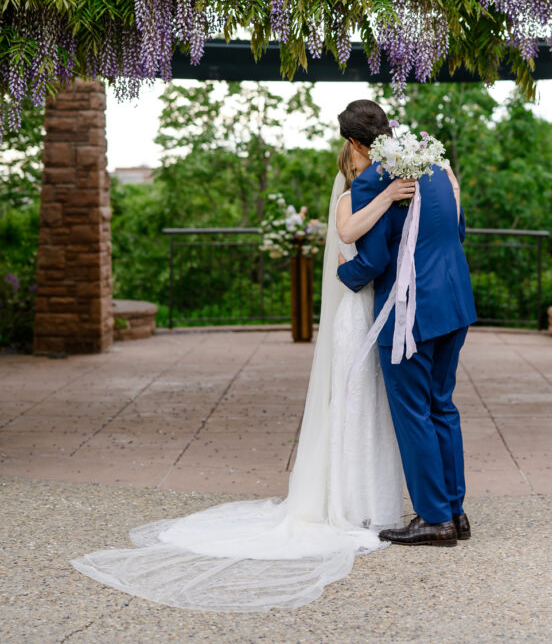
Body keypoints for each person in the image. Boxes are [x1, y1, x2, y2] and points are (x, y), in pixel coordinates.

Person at [70, 144, 416, 613]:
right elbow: (349, 238)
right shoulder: (349, 198)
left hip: (374, 308)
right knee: (351, 402)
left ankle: (372, 498)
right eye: (363, 164)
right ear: (353, 160)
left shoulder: (382, 193)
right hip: (355, 310)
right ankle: (349, 503)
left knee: (372, 405)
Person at [337, 99, 476, 548]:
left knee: (414, 413)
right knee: (443, 406)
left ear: (355, 143)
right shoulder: (435, 168)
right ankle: (455, 513)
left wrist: (345, 272)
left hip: (409, 315)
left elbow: (375, 260)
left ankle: (434, 519)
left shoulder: (372, 183)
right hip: (455, 304)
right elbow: (458, 231)